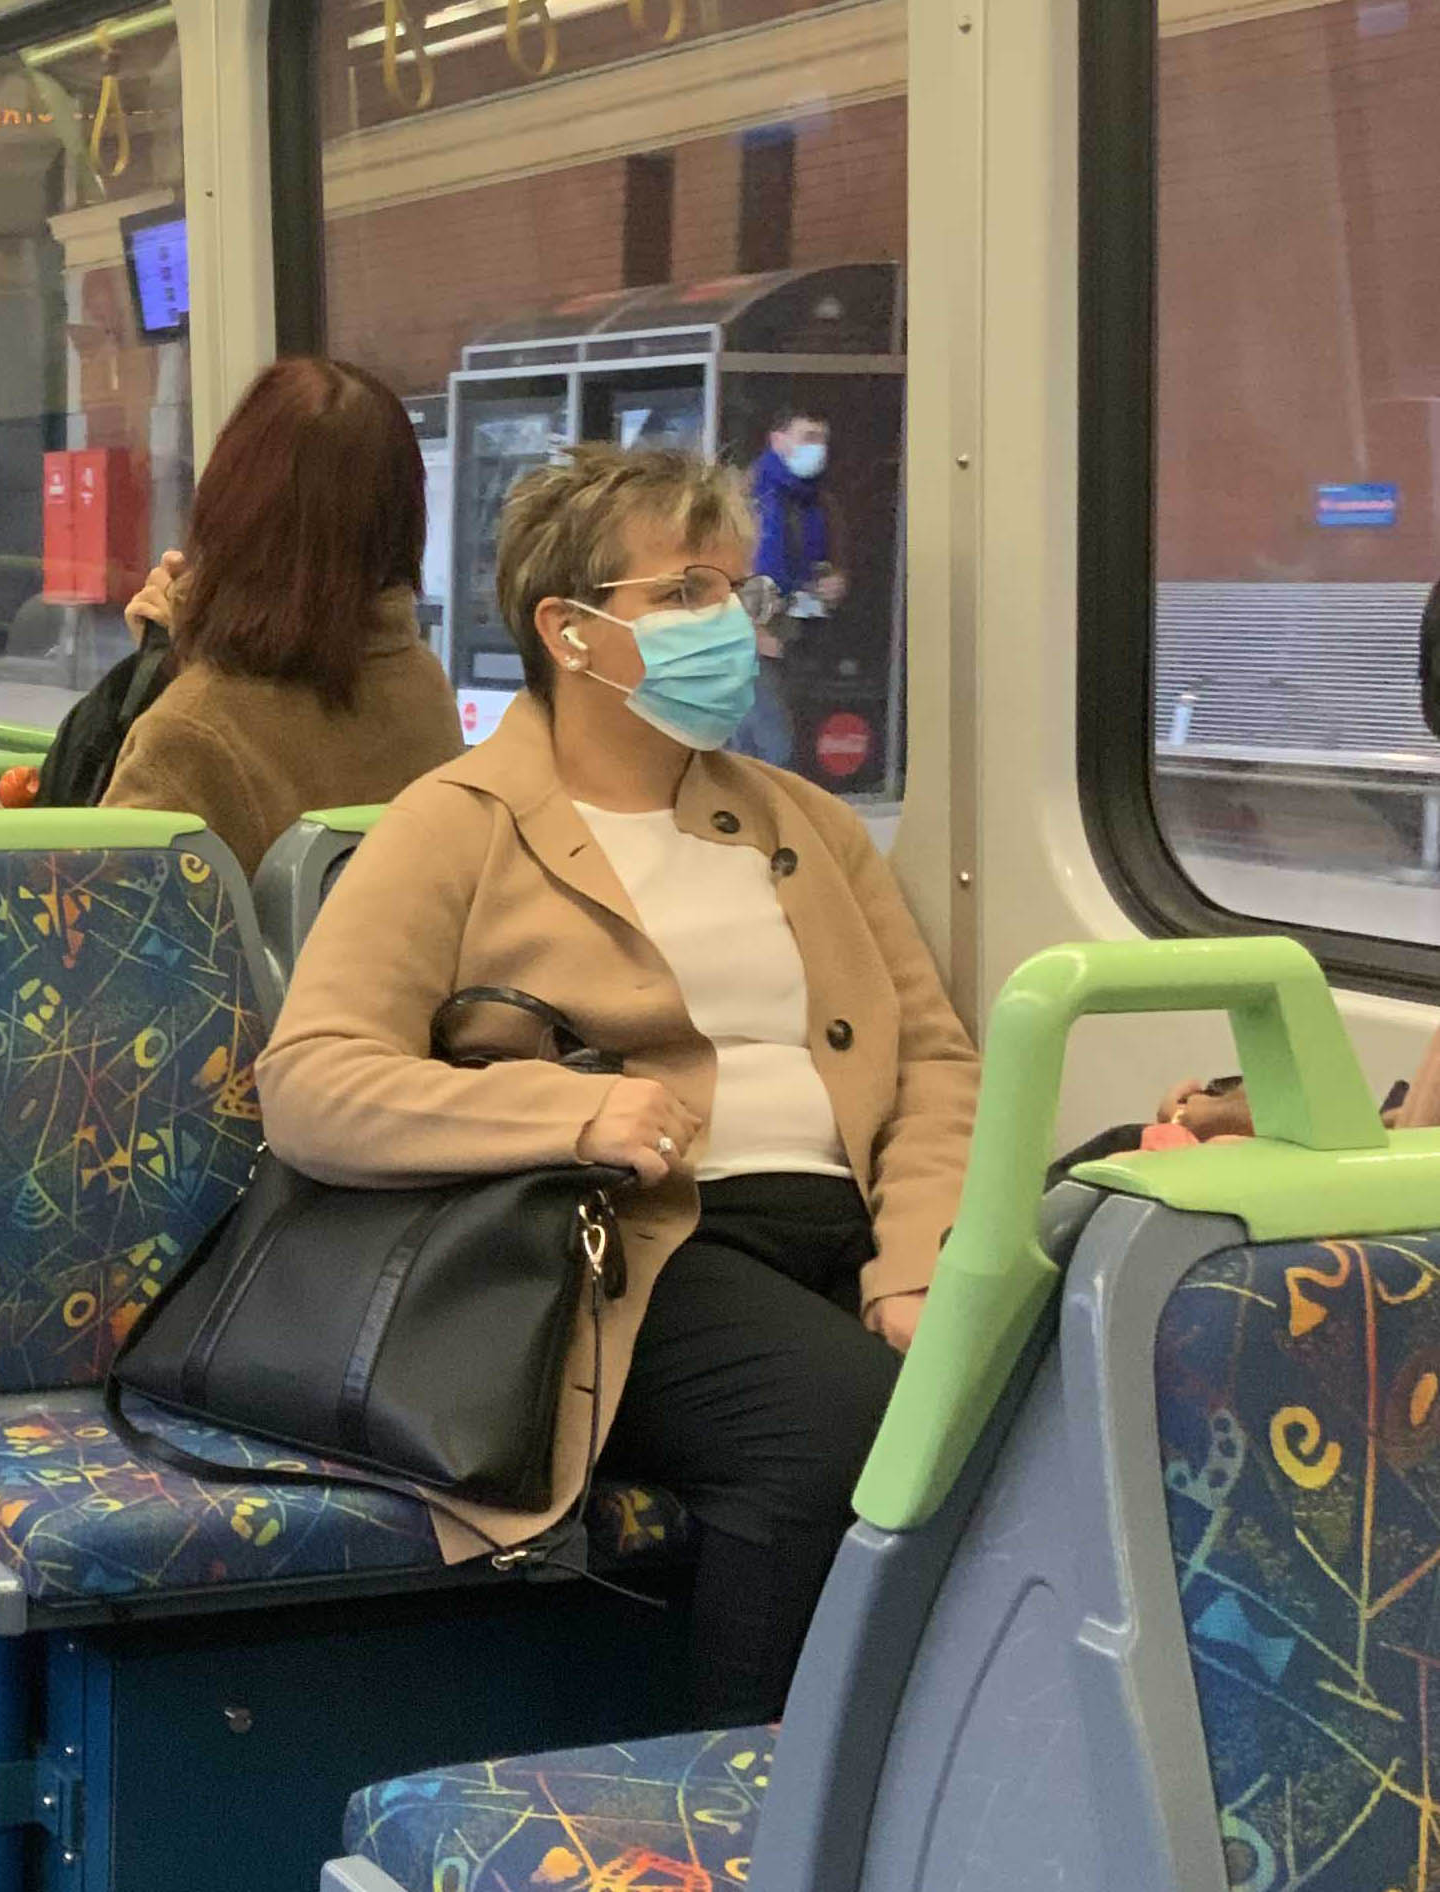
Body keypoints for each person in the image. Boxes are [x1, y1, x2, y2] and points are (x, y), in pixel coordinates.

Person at [255, 445, 979, 1724]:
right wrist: (569, 1110)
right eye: (687, 592)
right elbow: (312, 1082)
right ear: (568, 627)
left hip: (847, 1228)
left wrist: (918, 1261)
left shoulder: (802, 823)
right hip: (630, 1245)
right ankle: (754, 1821)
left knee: (1047, 1369)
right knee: (836, 1431)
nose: (731, 630)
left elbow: (925, 1060)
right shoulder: (458, 822)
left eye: (738, 596)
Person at [99, 358, 465, 873]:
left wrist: (170, 665)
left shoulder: (190, 734)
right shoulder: (425, 689)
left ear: (230, 511)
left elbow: (102, 928)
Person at [728, 408, 847, 768]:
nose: (818, 448)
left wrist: (836, 582)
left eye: (822, 439)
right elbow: (718, 568)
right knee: (770, 748)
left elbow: (834, 559)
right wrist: (752, 629)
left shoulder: (820, 502)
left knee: (769, 744)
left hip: (798, 639)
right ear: (778, 441)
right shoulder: (745, 497)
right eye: (808, 437)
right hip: (748, 640)